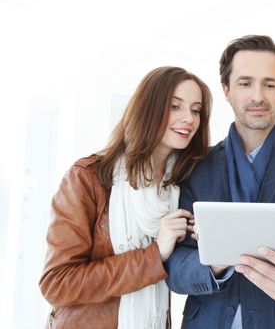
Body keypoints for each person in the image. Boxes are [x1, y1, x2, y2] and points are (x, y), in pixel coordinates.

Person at [165, 35, 275, 328]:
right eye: (245, 83)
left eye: (270, 84)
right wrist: (219, 256)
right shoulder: (194, 166)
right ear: (226, 89)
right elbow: (175, 265)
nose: (258, 96)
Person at [39, 66, 212, 329]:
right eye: (175, 106)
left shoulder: (180, 187)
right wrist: (153, 256)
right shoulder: (89, 178)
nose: (188, 118)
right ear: (148, 109)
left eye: (195, 109)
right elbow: (57, 284)